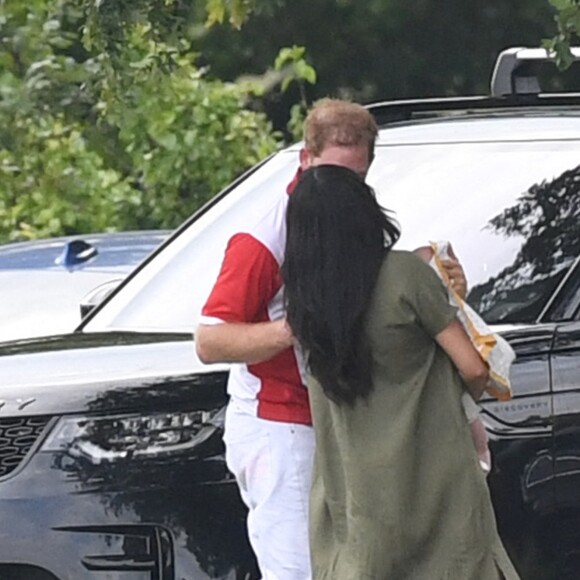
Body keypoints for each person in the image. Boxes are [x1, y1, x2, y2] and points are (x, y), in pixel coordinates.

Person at [195, 99, 468, 580]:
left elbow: (378, 295)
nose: (343, 190)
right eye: (333, 173)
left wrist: (434, 283)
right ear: (305, 159)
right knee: (303, 568)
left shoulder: (351, 223)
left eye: (355, 178)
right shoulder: (265, 238)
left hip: (342, 418)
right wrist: (298, 325)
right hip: (282, 423)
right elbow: (210, 341)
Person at [282, 165, 520, 580]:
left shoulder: (305, 301)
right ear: (366, 213)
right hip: (434, 481)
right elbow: (471, 366)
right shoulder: (403, 274)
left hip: (354, 499)